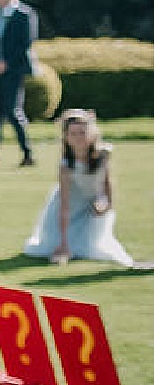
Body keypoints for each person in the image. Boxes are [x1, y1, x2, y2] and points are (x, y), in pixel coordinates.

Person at [21, 108, 146, 269]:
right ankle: (66, 242)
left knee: (94, 245)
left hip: (91, 209)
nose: (79, 137)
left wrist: (106, 205)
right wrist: (63, 244)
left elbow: (108, 184)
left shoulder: (103, 154)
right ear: (66, 137)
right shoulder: (65, 166)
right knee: (52, 247)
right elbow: (64, 204)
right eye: (73, 134)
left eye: (82, 132)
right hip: (68, 211)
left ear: (91, 133)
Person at [0, 0, 38, 166]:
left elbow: (26, 44)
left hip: (13, 71)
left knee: (13, 111)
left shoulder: (24, 14)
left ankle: (27, 153)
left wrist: (6, 63)